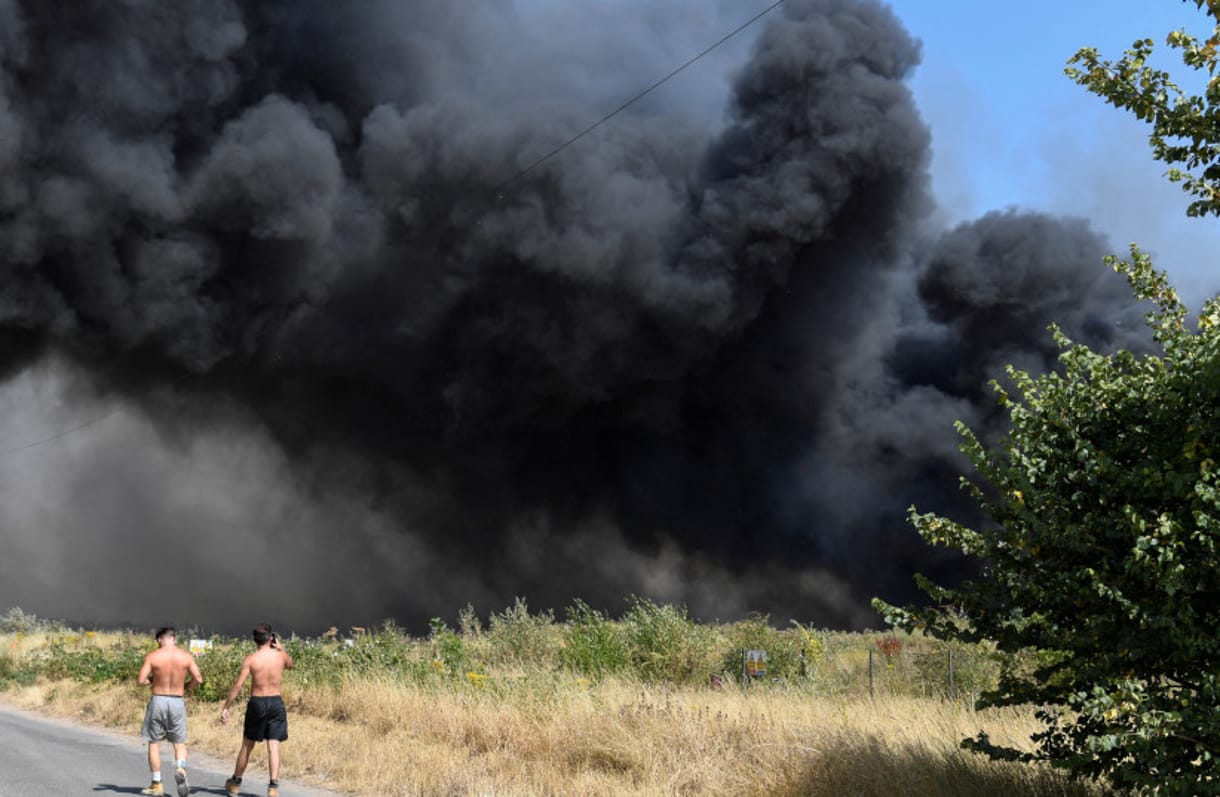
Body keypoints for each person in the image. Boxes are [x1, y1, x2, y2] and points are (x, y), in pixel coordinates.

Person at [220, 623, 294, 797]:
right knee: (273, 746)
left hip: (257, 702)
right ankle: (273, 787)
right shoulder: (280, 656)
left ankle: (235, 783)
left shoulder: (251, 659)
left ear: (254, 640)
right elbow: (290, 665)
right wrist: (281, 649)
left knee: (247, 745)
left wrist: (226, 707)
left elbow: (238, 685)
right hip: (276, 701)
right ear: (271, 638)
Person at [136, 626, 204, 796]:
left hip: (158, 699)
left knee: (154, 742)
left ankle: (156, 784)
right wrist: (186, 686)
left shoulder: (153, 656)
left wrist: (153, 680)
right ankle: (181, 768)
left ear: (160, 640)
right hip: (177, 701)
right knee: (179, 742)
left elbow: (140, 680)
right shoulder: (186, 657)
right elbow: (198, 679)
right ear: (174, 639)